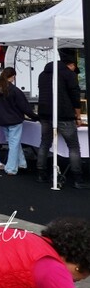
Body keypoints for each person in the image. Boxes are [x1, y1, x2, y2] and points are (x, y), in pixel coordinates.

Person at [36, 53, 89, 188]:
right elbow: (75, 97)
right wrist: (77, 116)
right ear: (71, 65)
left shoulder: (43, 74)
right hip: (64, 114)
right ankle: (78, 179)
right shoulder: (68, 75)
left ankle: (41, 173)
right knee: (73, 146)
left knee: (44, 143)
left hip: (45, 114)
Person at [0, 66, 37, 175]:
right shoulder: (14, 90)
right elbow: (24, 106)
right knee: (14, 143)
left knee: (13, 142)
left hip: (1, 120)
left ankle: (21, 163)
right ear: (13, 76)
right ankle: (11, 168)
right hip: (14, 120)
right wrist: (35, 117)